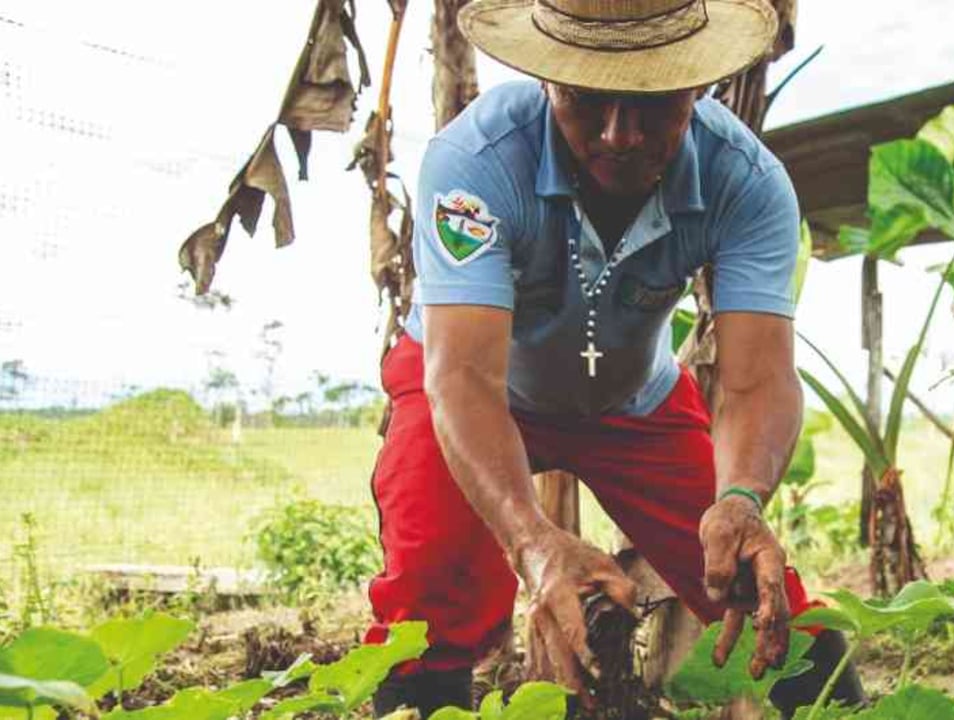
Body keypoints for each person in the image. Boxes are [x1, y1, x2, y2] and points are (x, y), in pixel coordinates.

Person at [364, 0, 864, 715]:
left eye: (651, 104)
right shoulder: (474, 161)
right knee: (427, 588)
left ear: (696, 85)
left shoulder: (746, 182)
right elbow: (463, 378)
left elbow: (758, 381)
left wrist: (742, 495)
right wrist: (534, 541)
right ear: (547, 81)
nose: (618, 135)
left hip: (633, 402)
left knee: (753, 586)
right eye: (586, 101)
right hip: (475, 390)